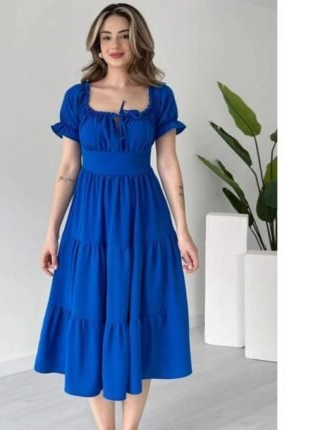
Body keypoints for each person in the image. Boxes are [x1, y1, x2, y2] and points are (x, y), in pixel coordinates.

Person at [34, 3, 199, 429]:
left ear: (138, 39)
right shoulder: (77, 97)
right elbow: (68, 167)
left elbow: (168, 164)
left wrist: (182, 230)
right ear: (96, 43)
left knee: (138, 316)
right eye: (106, 36)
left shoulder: (160, 96)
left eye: (124, 35)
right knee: (91, 314)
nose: (115, 44)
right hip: (90, 221)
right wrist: (52, 231)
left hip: (144, 219)